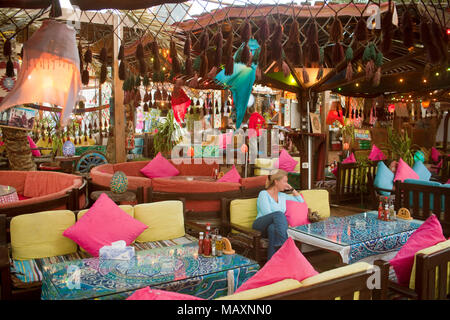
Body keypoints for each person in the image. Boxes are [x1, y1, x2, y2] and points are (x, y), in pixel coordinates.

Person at [254, 169, 304, 260]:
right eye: (285, 181)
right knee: (279, 214)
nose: (286, 184)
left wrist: (292, 189)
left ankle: (272, 263)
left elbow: (300, 201)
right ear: (276, 181)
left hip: (274, 226)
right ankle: (285, 245)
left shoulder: (282, 196)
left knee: (272, 228)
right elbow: (267, 213)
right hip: (260, 225)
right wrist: (283, 223)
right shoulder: (263, 194)